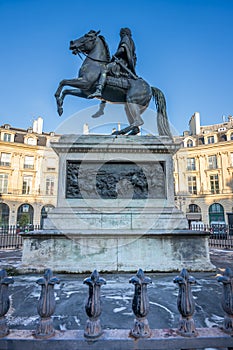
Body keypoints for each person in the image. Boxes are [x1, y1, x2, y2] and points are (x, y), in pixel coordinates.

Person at [88, 27, 137, 99]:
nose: (120, 35)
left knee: (104, 69)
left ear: (124, 33)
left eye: (121, 33)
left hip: (121, 63)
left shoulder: (125, 38)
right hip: (125, 64)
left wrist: (114, 56)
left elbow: (122, 49)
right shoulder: (131, 41)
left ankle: (98, 90)